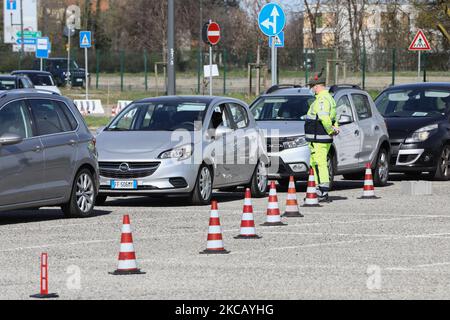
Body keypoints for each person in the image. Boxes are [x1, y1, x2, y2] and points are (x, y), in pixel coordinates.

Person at [305, 74, 340, 202]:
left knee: (320, 163)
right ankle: (318, 189)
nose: (311, 89)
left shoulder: (322, 100)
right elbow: (334, 117)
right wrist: (334, 128)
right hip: (318, 138)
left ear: (317, 86)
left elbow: (324, 118)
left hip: (319, 137)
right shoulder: (329, 98)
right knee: (316, 163)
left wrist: (331, 130)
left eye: (312, 87)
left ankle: (322, 191)